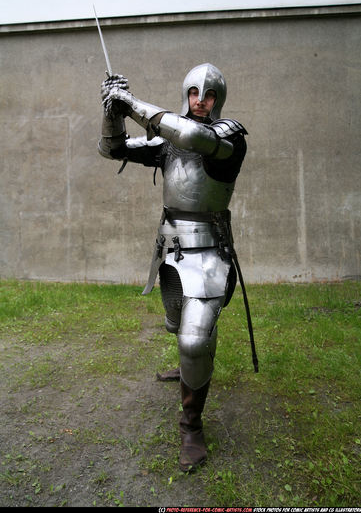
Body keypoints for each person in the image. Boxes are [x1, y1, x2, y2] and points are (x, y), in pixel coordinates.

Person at [98, 63, 252, 472]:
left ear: (219, 99)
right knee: (176, 325)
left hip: (209, 254)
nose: (201, 100)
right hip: (171, 251)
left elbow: (192, 136)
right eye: (194, 93)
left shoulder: (227, 136)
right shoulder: (167, 144)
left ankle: (191, 426)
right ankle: (188, 372)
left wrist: (130, 101)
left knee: (195, 340)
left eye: (210, 94)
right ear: (185, 93)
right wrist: (111, 110)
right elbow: (111, 149)